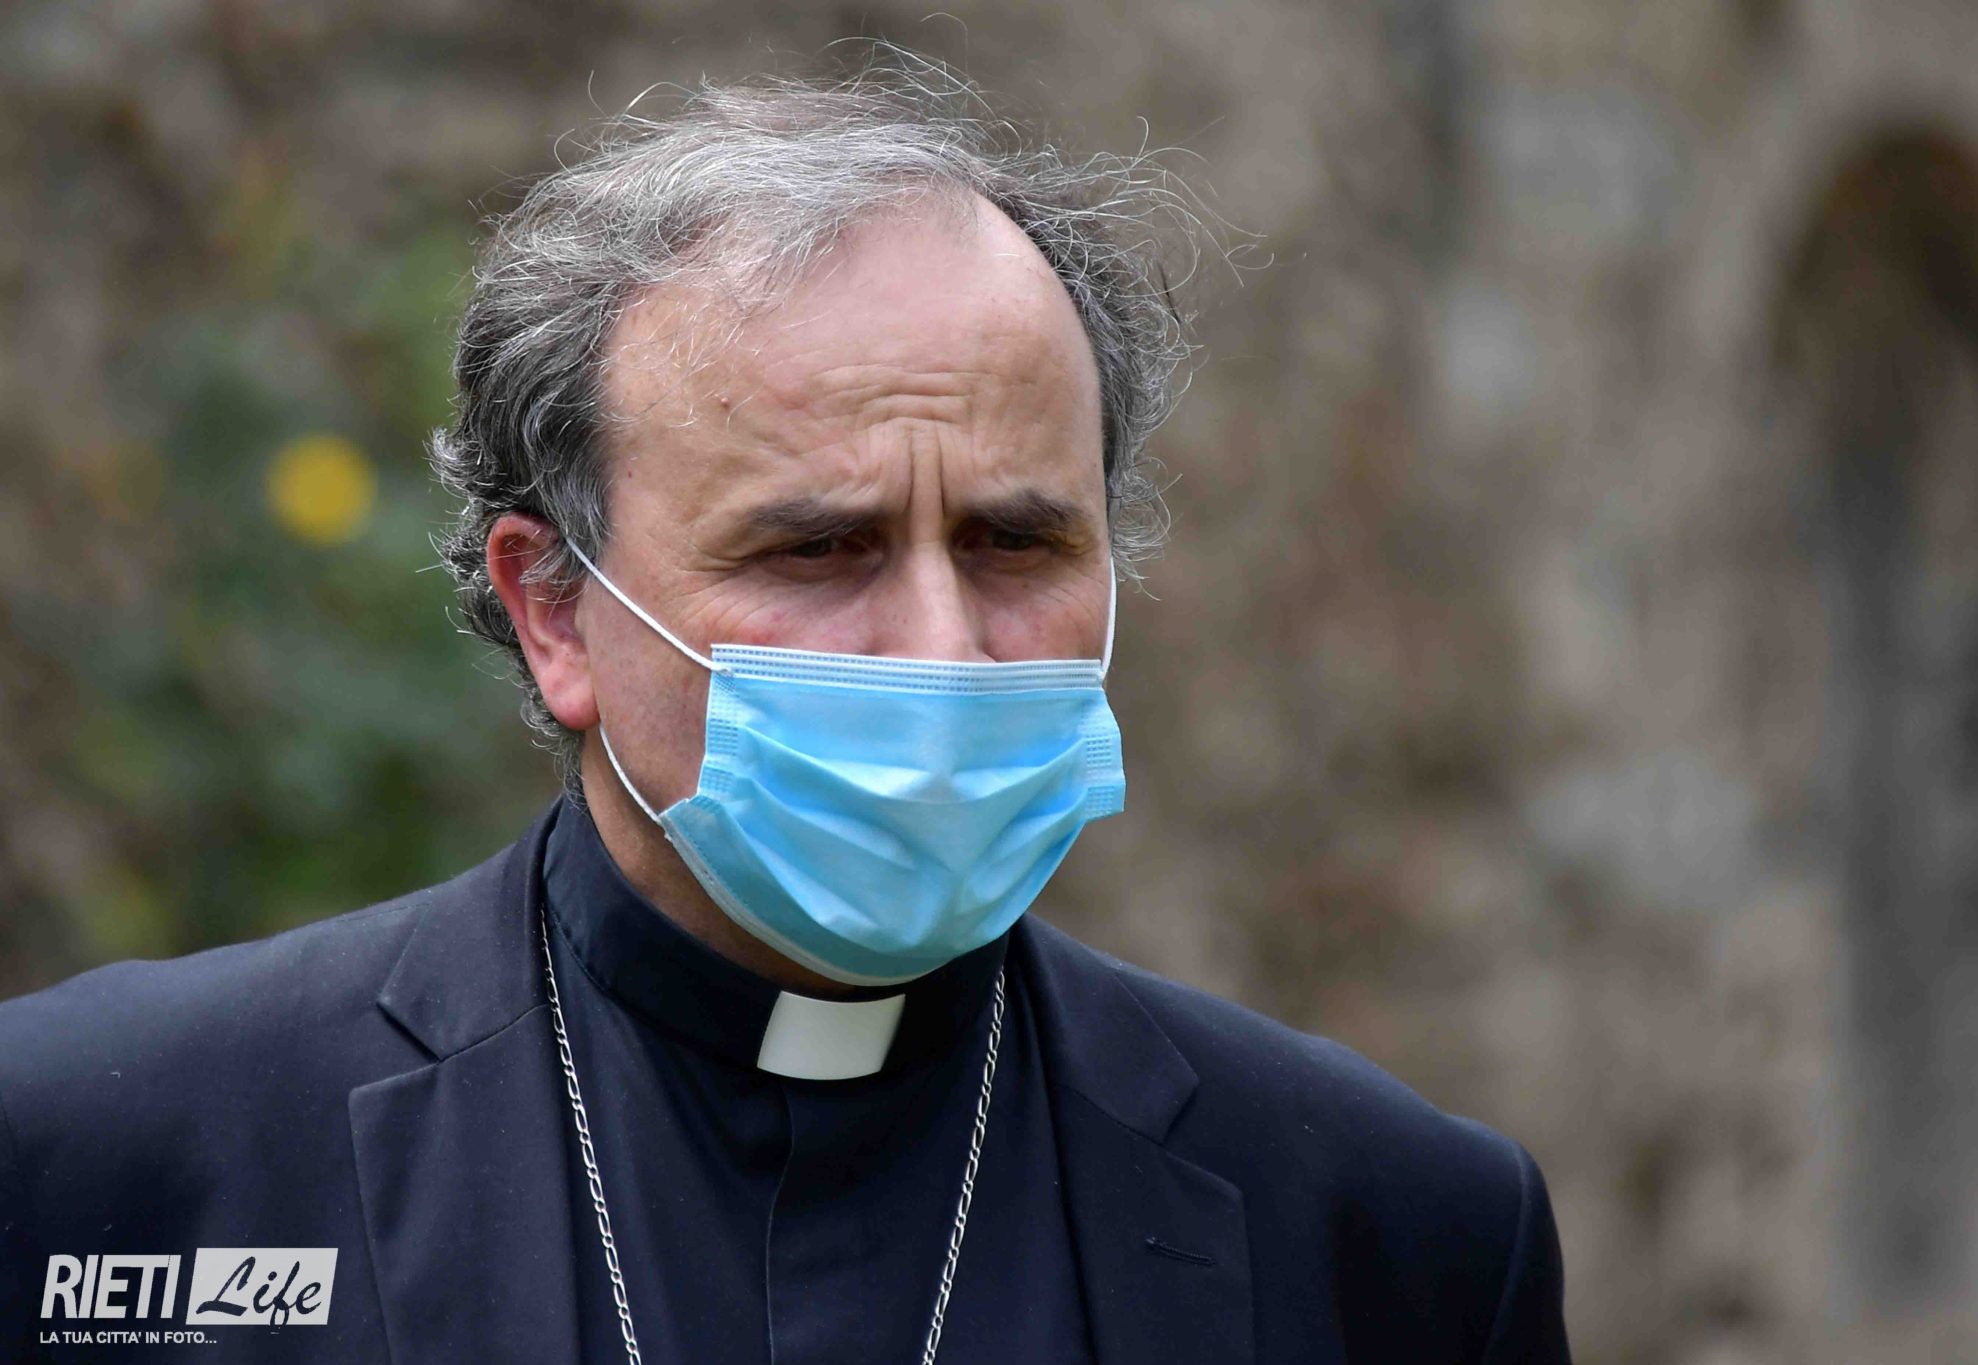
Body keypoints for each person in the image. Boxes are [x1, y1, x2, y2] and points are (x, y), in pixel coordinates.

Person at [0, 54, 1569, 1363]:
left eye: (1015, 543)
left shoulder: (1392, 1234)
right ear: (556, 610)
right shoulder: (99, 1151)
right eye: (819, 549)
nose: (941, 649)